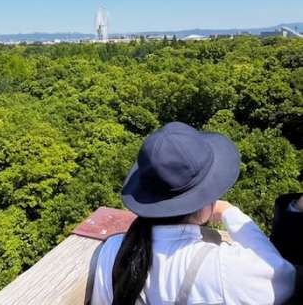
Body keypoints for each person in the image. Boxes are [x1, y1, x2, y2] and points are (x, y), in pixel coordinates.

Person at [91, 121, 296, 305]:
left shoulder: (113, 250)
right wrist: (230, 213)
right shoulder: (223, 269)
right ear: (203, 204)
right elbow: (283, 277)